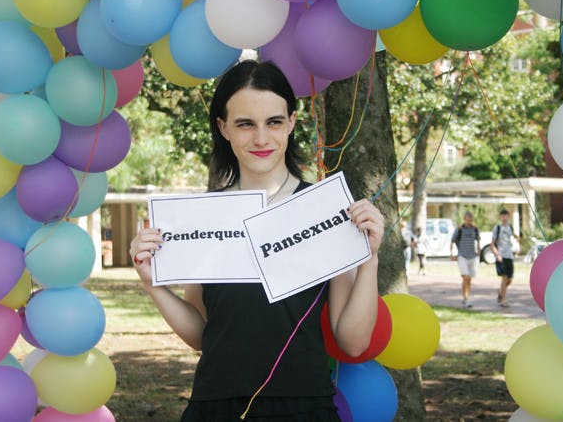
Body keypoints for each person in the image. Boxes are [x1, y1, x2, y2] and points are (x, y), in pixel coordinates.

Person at [129, 60, 384, 421]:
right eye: (245, 124)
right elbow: (203, 335)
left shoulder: (324, 211)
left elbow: (353, 341)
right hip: (214, 408)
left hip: (304, 408)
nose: (261, 138)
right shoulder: (203, 216)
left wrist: (369, 259)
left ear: (292, 122)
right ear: (224, 128)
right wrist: (153, 285)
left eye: (274, 122)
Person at [450, 212, 480, 308]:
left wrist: (478, 250)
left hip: (472, 256)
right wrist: (452, 254)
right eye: (467, 219)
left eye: (470, 219)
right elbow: (452, 241)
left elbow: (478, 240)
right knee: (465, 277)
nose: (469, 221)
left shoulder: (475, 229)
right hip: (462, 256)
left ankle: (466, 298)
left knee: (469, 279)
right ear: (464, 219)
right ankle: (466, 299)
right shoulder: (459, 229)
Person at [491, 208, 519, 308]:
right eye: (502, 216)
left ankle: (501, 293)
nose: (504, 217)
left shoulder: (510, 227)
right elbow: (492, 244)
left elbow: (514, 238)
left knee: (509, 280)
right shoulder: (497, 228)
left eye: (506, 215)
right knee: (504, 277)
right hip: (500, 256)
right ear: (500, 217)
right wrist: (497, 255)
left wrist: (518, 241)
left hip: (509, 256)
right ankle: (503, 300)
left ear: (508, 216)